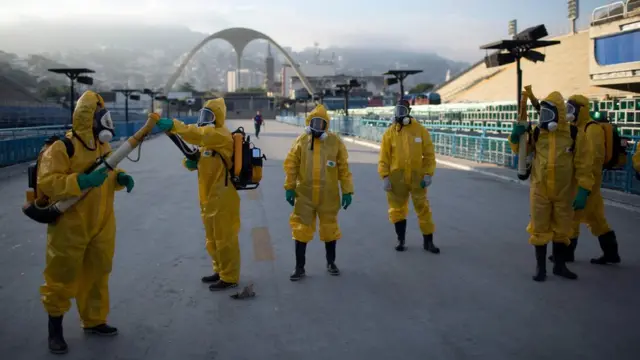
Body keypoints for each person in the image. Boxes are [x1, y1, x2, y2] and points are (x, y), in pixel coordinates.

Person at [38, 90, 135, 354]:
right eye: (99, 116)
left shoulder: (103, 147)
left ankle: (94, 320)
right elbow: (47, 182)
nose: (105, 121)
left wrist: (120, 178)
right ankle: (55, 329)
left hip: (102, 223)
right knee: (62, 275)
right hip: (70, 225)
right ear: (87, 118)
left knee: (98, 273)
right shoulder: (62, 147)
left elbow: (107, 173)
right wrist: (79, 181)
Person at [156, 98, 241, 291]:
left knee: (225, 239)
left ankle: (230, 277)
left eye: (209, 115)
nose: (204, 120)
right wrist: (193, 163)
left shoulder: (219, 135)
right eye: (204, 115)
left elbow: (195, 134)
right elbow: (204, 161)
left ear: (218, 117)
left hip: (224, 197)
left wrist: (175, 125)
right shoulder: (208, 142)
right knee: (212, 238)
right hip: (208, 197)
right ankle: (219, 271)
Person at [509, 91, 593, 282]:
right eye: (542, 115)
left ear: (559, 114)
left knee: (563, 229)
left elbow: (584, 164)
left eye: (548, 115)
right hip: (540, 189)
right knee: (539, 228)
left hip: (565, 192)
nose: (544, 119)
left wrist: (583, 189)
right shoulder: (538, 133)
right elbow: (521, 150)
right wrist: (515, 137)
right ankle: (541, 267)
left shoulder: (574, 134)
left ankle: (559, 265)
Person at [284, 104, 353, 281]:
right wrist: (290, 187)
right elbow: (291, 165)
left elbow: (343, 168)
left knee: (330, 229)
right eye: (314, 122)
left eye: (321, 123)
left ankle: (331, 263)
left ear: (326, 125)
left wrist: (347, 191)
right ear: (309, 122)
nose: (317, 126)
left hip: (328, 196)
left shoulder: (334, 142)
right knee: (300, 230)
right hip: (304, 195)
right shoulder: (301, 141)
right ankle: (299, 267)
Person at [554, 94, 620, 265]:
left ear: (581, 110)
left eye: (572, 109)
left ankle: (567, 253)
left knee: (574, 218)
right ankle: (611, 254)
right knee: (596, 219)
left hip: (587, 182)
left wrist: (584, 184)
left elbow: (593, 158)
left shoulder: (592, 129)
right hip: (585, 182)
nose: (569, 113)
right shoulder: (576, 128)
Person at [378, 99, 439, 254]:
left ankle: (428, 241)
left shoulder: (420, 130)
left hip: (417, 178)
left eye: (403, 111)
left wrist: (428, 174)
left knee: (423, 208)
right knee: (396, 209)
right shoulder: (390, 133)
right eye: (398, 110)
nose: (399, 114)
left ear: (409, 112)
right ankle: (401, 240)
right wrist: (384, 177)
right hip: (396, 178)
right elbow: (384, 158)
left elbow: (429, 155)